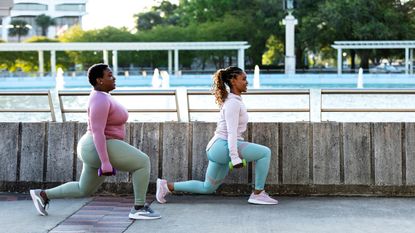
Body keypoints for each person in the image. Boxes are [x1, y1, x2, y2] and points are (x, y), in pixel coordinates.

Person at [30, 63, 161, 220]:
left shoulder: (103, 96)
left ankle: (43, 194)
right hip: (98, 145)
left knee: (83, 188)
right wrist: (105, 162)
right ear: (99, 80)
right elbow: (98, 131)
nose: (114, 78)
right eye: (109, 75)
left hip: (94, 146)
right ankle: (139, 208)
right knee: (142, 162)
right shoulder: (99, 100)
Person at [156, 66, 278, 205]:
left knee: (208, 187)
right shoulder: (233, 103)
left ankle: (166, 186)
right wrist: (234, 157)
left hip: (216, 148)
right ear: (233, 81)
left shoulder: (233, 100)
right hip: (222, 146)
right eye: (243, 79)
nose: (247, 82)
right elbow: (231, 132)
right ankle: (258, 193)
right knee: (265, 153)